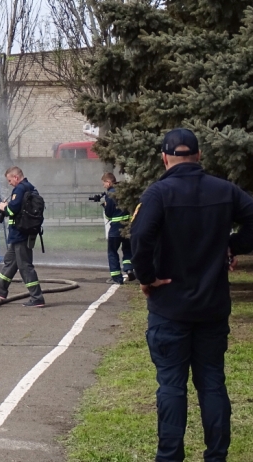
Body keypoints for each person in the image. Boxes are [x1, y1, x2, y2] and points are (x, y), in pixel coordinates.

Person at [131, 128, 253, 462]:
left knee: (171, 386)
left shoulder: (158, 194)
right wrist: (232, 244)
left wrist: (147, 279)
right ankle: (217, 455)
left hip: (169, 306)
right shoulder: (225, 190)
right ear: (199, 156)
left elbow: (139, 239)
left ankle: (169, 456)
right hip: (212, 307)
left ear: (164, 158)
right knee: (212, 382)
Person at [0, 166, 46, 307]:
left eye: (9, 180)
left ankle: (37, 297)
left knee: (25, 266)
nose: (9, 183)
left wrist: (3, 207)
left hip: (20, 233)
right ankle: (1, 289)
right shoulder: (30, 187)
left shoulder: (20, 188)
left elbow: (13, 210)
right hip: (20, 233)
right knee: (10, 261)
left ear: (16, 177)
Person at [101, 172, 134, 284]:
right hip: (127, 228)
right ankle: (129, 268)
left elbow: (108, 215)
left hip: (115, 229)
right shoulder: (124, 192)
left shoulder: (110, 195)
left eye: (104, 183)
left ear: (109, 182)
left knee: (112, 252)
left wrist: (105, 207)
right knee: (128, 249)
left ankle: (117, 278)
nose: (103, 186)